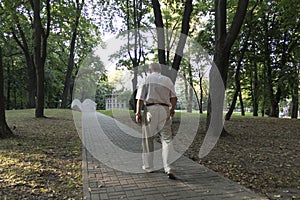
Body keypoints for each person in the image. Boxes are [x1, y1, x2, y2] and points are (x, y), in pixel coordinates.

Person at [135, 62, 177, 179]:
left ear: (150, 70)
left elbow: (140, 98)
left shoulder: (146, 79)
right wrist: (171, 109)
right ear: (160, 70)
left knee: (148, 139)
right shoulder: (167, 80)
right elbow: (174, 97)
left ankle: (148, 167)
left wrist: (138, 113)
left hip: (150, 109)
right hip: (164, 109)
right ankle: (169, 168)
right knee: (167, 139)